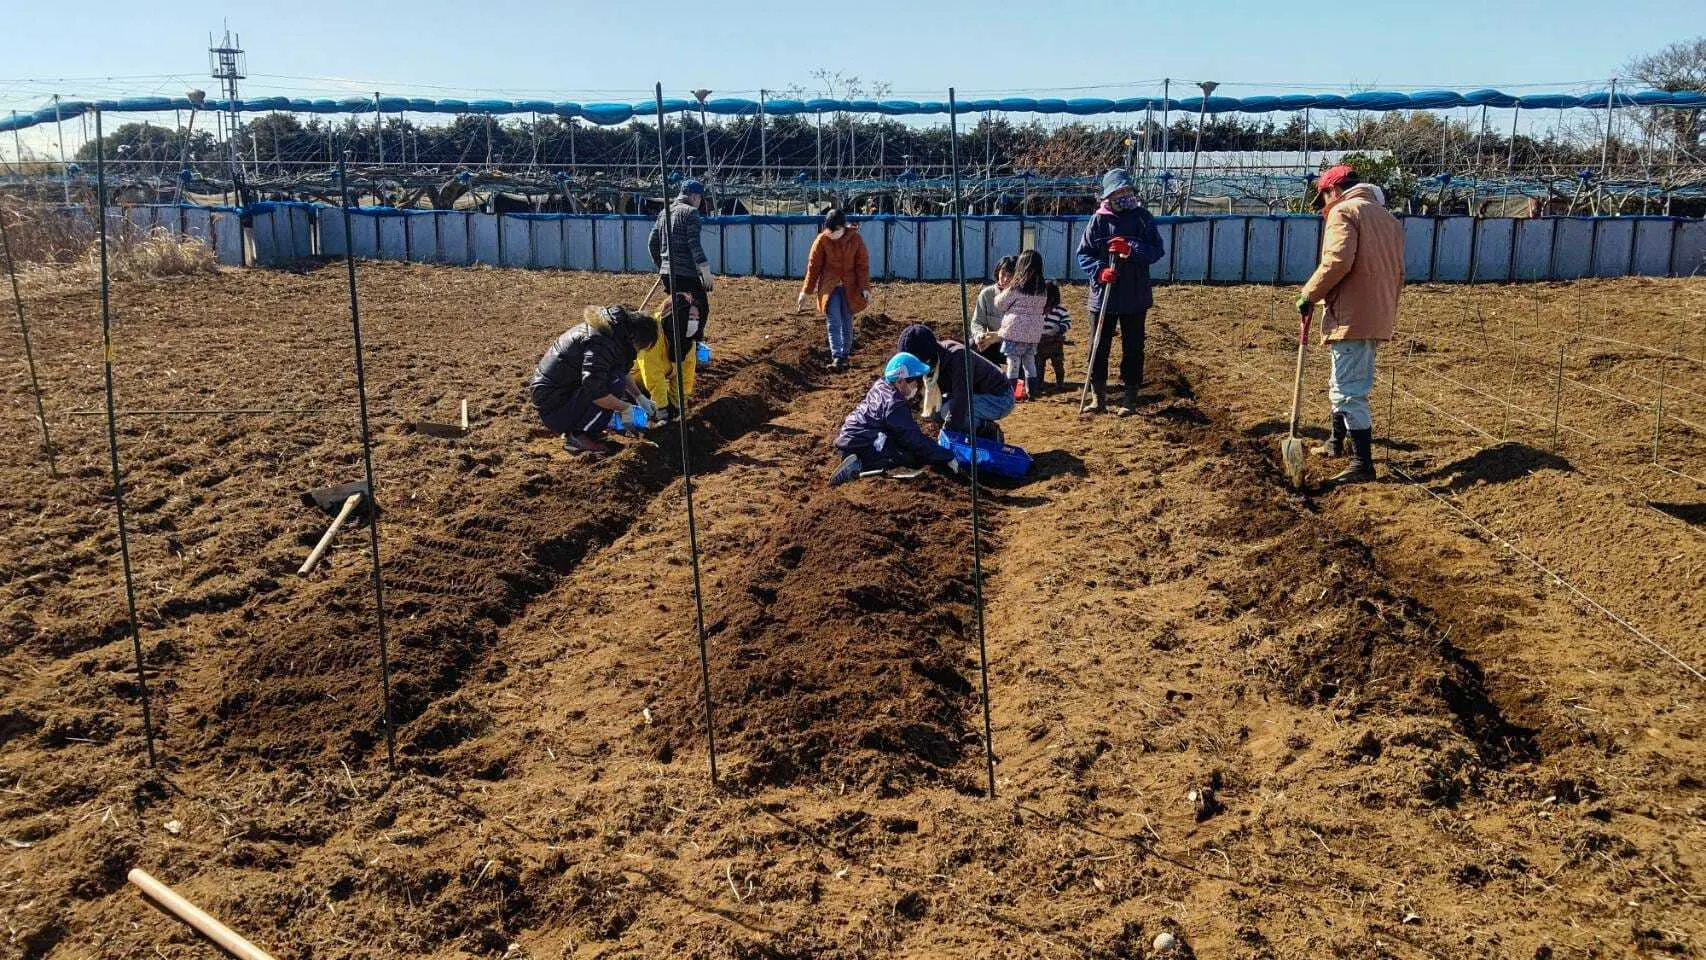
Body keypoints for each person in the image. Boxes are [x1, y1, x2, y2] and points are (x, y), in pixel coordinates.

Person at [1297, 164, 1405, 485]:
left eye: (1323, 198)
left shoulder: (1344, 212)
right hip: (1377, 311)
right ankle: (1336, 442)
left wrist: (1309, 294)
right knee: (1342, 379)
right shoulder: (1387, 219)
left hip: (1352, 314)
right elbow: (1399, 271)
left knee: (1348, 390)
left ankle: (1362, 464)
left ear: (1333, 190)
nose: (1324, 206)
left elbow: (1337, 261)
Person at [1076, 168, 1165, 415]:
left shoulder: (1143, 218)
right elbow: (1083, 254)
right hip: (1103, 295)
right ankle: (1098, 398)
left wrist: (1131, 248)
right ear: (1108, 195)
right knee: (1097, 347)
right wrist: (1100, 271)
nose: (1124, 195)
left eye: (1127, 190)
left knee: (1133, 348)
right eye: (1118, 191)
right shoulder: (1098, 221)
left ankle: (1130, 398)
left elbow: (1156, 250)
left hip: (1134, 295)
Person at [528, 305, 659, 455]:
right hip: (552, 404)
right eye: (640, 348)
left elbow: (621, 369)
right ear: (634, 338)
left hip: (563, 393)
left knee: (615, 379)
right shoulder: (600, 342)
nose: (638, 352)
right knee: (613, 383)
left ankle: (589, 429)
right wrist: (625, 408)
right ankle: (577, 436)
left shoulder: (615, 334)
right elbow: (595, 390)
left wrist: (639, 396)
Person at [829, 353, 960, 487]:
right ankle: (859, 467)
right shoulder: (895, 404)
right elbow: (914, 440)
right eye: (915, 380)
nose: (918, 385)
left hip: (851, 437)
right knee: (907, 457)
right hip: (862, 445)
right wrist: (946, 456)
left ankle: (858, 460)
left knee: (897, 441)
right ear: (900, 381)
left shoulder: (881, 384)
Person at [895, 323, 1014, 442]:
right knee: (934, 409)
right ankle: (969, 429)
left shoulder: (958, 358)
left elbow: (960, 401)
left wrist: (946, 435)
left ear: (925, 357)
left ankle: (988, 431)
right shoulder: (933, 360)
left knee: (947, 411)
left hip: (1000, 397)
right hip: (975, 393)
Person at [797, 208, 872, 371]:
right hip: (829, 288)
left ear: (842, 227)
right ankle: (837, 356)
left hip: (849, 288)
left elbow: (862, 266)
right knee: (833, 322)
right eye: (829, 231)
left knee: (847, 321)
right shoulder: (822, 240)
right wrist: (805, 292)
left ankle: (845, 354)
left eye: (835, 231)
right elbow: (813, 268)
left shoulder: (856, 240)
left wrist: (865, 288)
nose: (831, 234)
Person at [647, 179, 713, 331]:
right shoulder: (691, 213)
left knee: (676, 310)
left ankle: (670, 341)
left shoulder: (664, 213)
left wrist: (662, 266)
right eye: (700, 199)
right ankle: (692, 341)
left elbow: (652, 243)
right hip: (686, 274)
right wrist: (705, 269)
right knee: (699, 308)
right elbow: (694, 244)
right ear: (695, 197)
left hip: (668, 274)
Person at [992, 249, 1053, 401]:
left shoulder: (1017, 286)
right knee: (1029, 361)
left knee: (1013, 362)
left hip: (1015, 331)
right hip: (1033, 333)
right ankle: (1032, 391)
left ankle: (1011, 393)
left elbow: (1000, 304)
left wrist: (1000, 292)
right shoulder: (1042, 289)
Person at [634, 292, 702, 427]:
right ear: (677, 317)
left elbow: (685, 375)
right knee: (640, 414)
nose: (693, 323)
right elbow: (653, 375)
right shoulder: (652, 335)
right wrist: (661, 409)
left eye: (696, 319)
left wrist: (677, 405)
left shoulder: (687, 341)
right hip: (635, 383)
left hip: (659, 380)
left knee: (673, 411)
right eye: (690, 318)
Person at [969, 255, 1017, 366]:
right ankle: (992, 371)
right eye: (1003, 274)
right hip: (992, 344)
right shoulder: (987, 294)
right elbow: (977, 321)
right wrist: (979, 335)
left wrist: (997, 337)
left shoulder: (1022, 297)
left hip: (1014, 345)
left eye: (1010, 276)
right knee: (972, 345)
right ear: (997, 273)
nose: (1005, 279)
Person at [1035, 288, 1071, 393]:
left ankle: (1060, 384)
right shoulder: (1036, 309)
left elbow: (1067, 322)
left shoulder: (1060, 310)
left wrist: (1060, 328)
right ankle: (1039, 384)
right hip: (1039, 343)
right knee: (1038, 365)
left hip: (1055, 343)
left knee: (1058, 365)